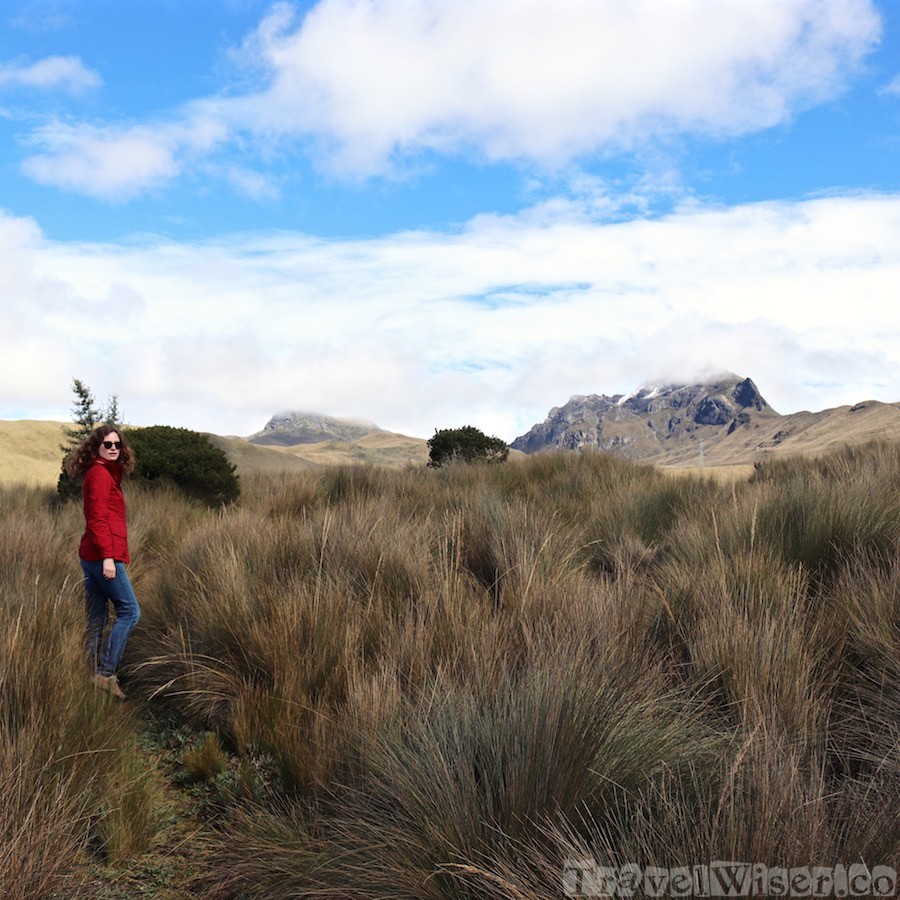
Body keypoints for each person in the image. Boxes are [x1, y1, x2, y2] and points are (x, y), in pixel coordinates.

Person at [65, 424, 141, 700]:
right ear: (96, 446)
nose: (112, 448)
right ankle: (105, 674)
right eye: (107, 444)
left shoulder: (107, 473)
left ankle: (88, 671)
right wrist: (109, 557)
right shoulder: (99, 474)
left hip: (93, 556)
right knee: (130, 612)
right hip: (102, 557)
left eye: (116, 444)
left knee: (96, 617)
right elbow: (97, 519)